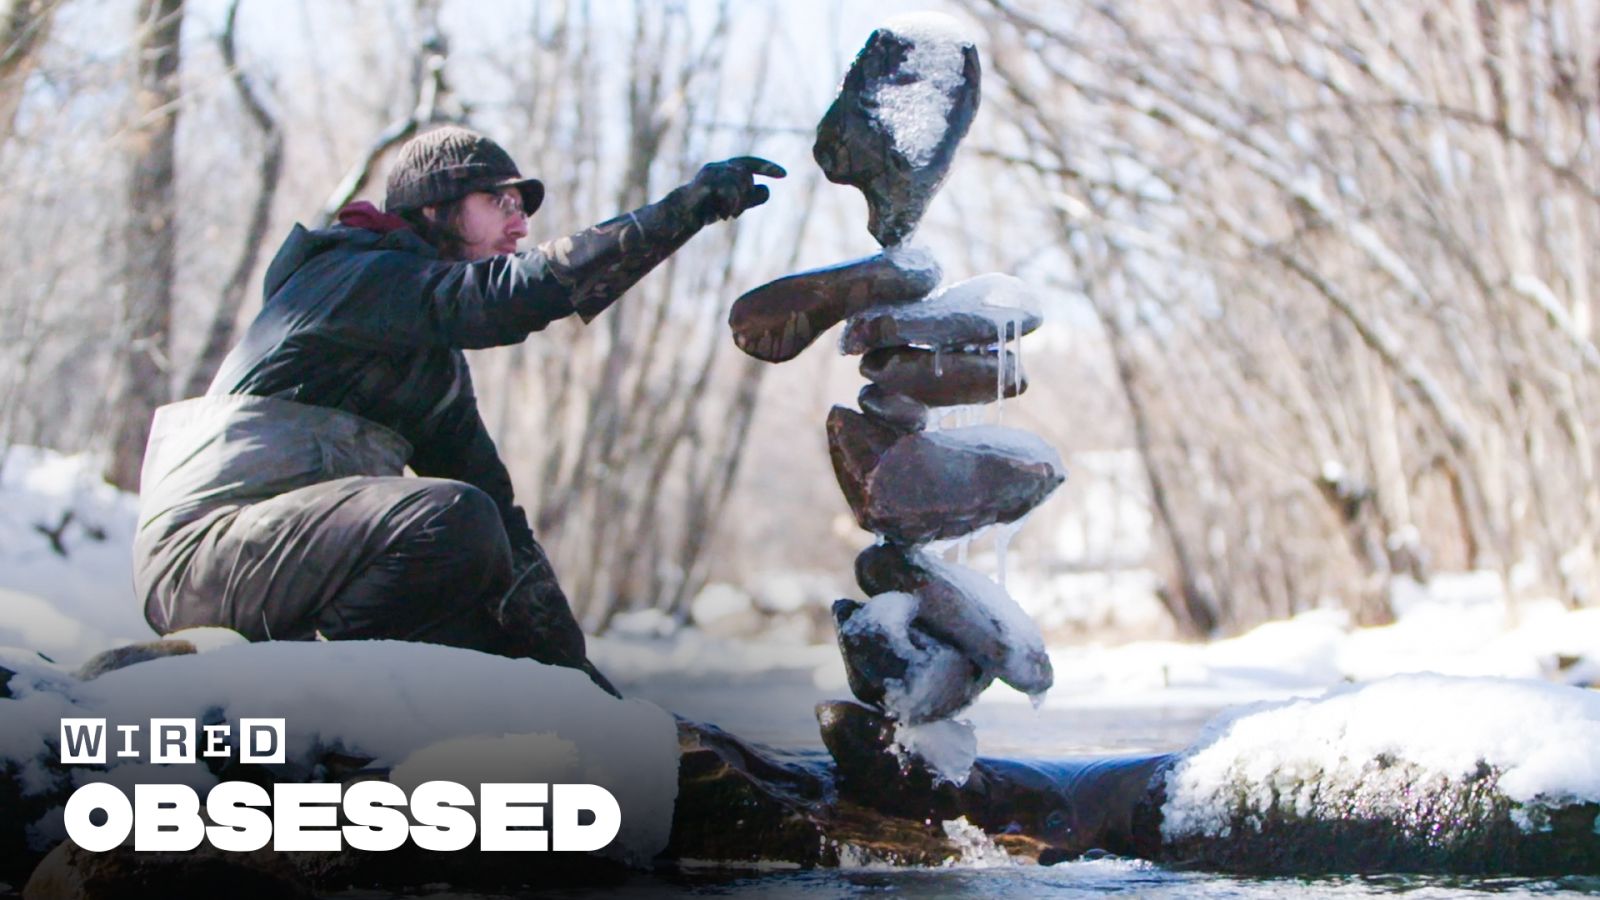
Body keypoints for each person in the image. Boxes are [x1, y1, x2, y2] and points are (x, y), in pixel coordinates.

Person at [131, 126, 784, 695]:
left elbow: (501, 520)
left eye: (521, 208)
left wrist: (582, 687)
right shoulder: (351, 277)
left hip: (279, 563)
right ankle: (276, 695)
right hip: (200, 560)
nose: (520, 223)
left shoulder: (427, 363)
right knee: (449, 519)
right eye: (499, 201)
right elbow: (509, 296)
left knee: (486, 592)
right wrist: (680, 213)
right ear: (435, 210)